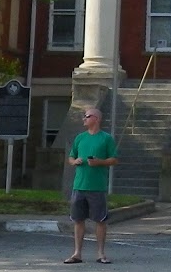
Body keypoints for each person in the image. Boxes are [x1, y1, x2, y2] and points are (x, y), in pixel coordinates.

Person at [64, 107, 118, 264]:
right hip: (79, 185)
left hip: (97, 186)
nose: (84, 119)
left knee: (100, 220)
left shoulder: (106, 138)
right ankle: (77, 253)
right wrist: (75, 162)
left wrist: (99, 162)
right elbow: (71, 156)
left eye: (86, 116)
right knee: (78, 219)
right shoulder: (80, 138)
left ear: (96, 119)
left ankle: (101, 254)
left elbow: (114, 159)